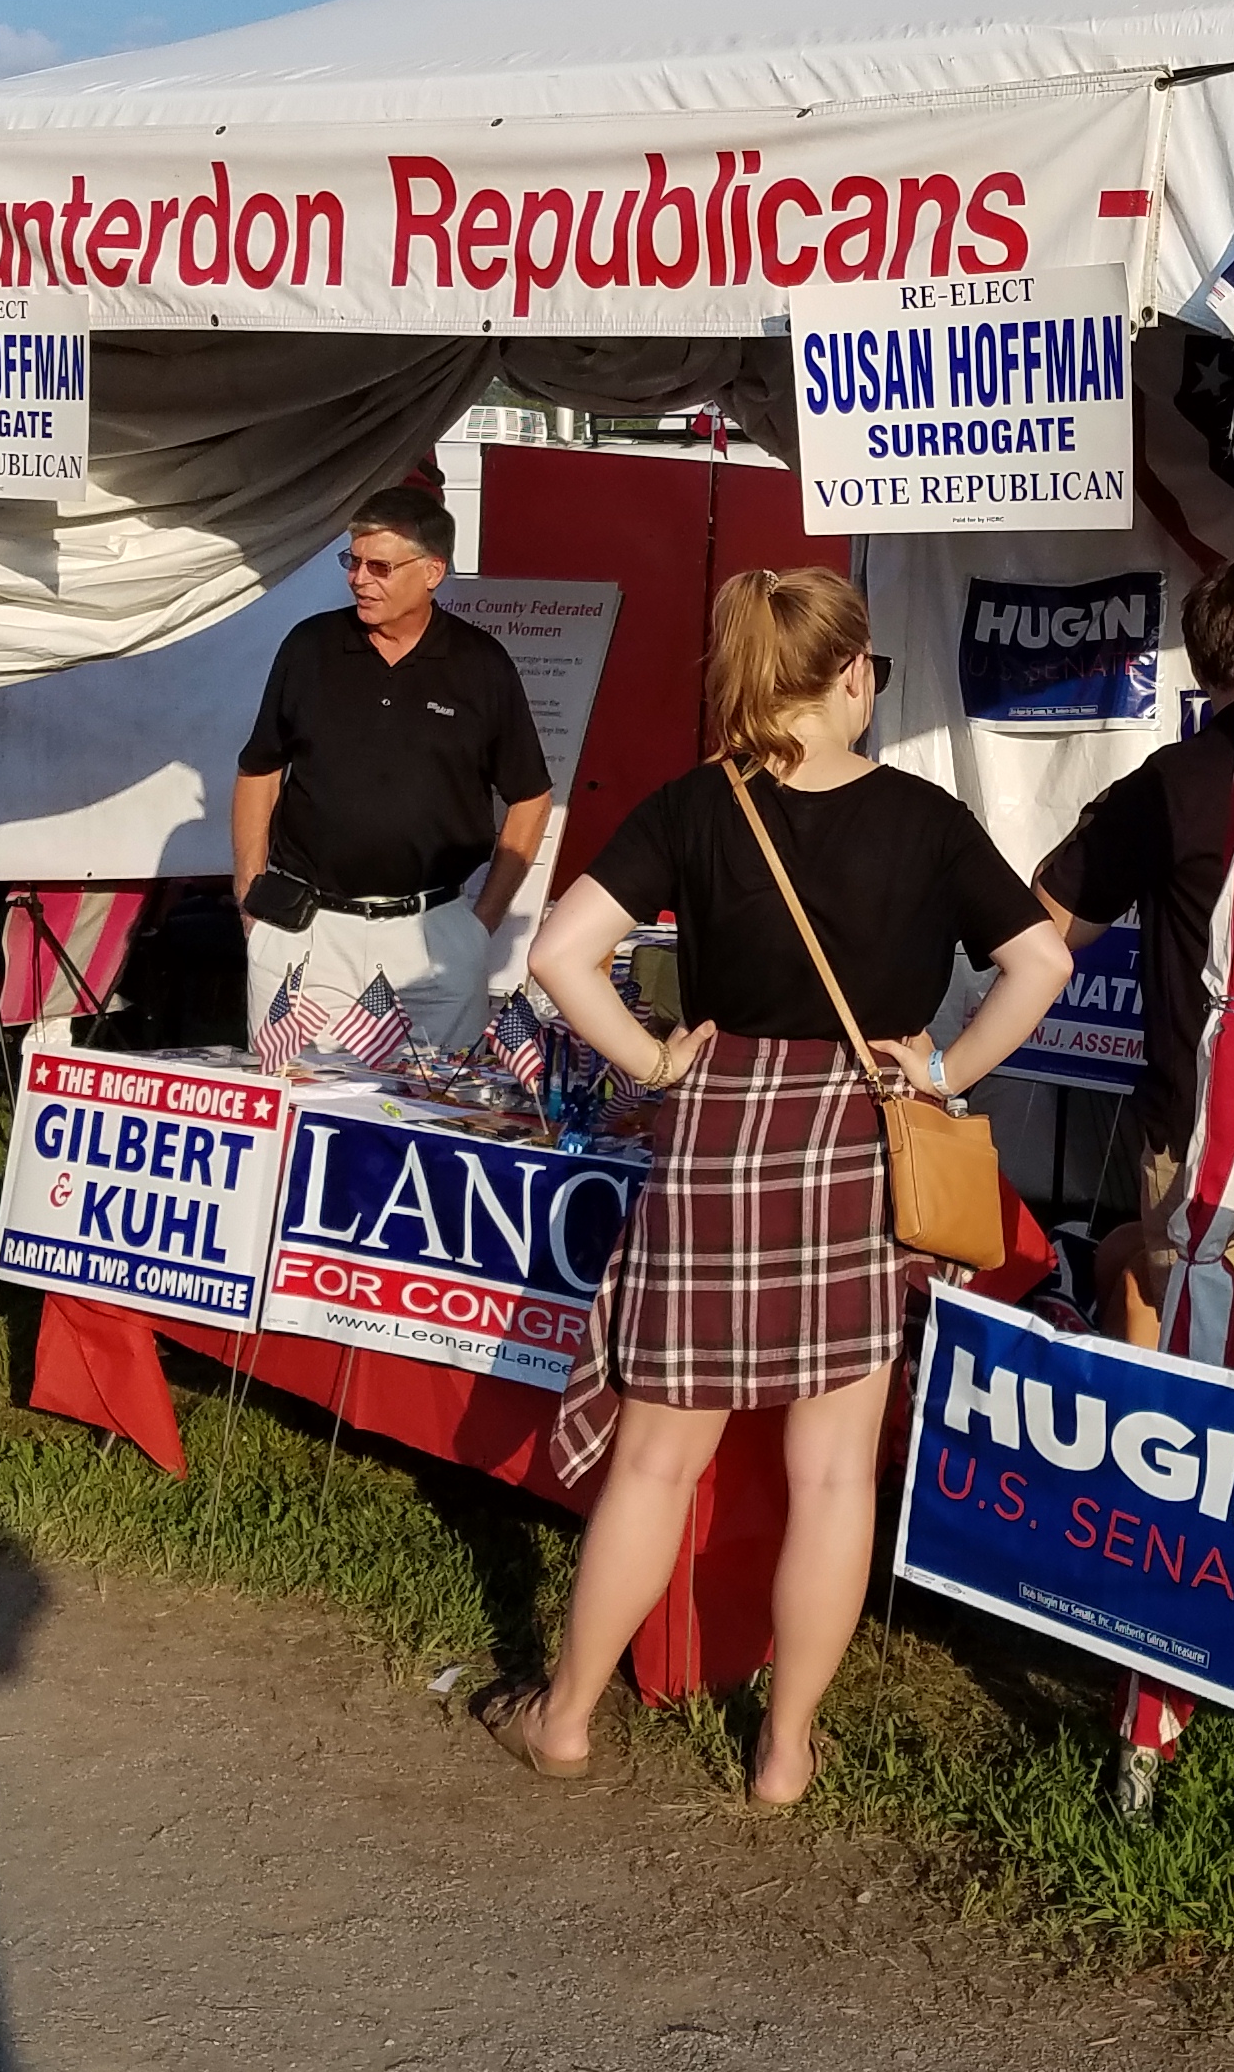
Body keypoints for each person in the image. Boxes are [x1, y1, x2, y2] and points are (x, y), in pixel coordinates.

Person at [506, 568, 1070, 1807]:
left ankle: (566, 1717)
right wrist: (947, 1067)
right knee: (831, 1473)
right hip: (861, 1131)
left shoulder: (693, 805)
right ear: (854, 672)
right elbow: (1037, 958)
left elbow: (559, 954)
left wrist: (655, 1056)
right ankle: (785, 1752)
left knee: (655, 1462)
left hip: (721, 1130)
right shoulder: (925, 818)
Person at [1035, 559, 1234, 1385]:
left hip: (1209, 1123)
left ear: (1204, 667)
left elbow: (1049, 919)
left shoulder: (1174, 783)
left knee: (1212, 1346)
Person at [233, 484, 552, 1047]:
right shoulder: (309, 647)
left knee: (436, 1112)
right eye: (352, 562)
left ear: (432, 571)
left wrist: (482, 924)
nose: (359, 579)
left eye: (379, 566)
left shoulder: (481, 664)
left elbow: (530, 798)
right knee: (297, 1109)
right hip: (305, 928)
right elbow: (259, 771)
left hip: (435, 935)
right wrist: (248, 894)